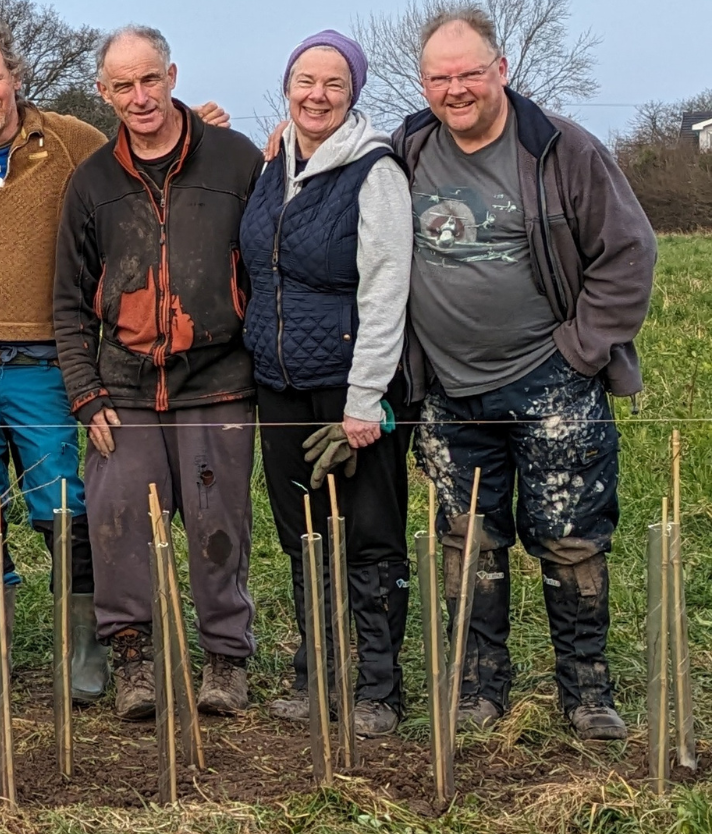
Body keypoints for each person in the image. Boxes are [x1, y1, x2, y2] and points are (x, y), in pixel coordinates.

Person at [0, 20, 232, 705]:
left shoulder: (70, 140)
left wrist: (204, 135)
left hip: (42, 357)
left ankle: (85, 653)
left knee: (62, 506)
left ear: (14, 78)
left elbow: (143, 154)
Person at [396, 9, 654, 740]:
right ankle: (477, 686)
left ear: (499, 70)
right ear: (423, 84)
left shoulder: (559, 148)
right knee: (466, 540)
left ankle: (586, 692)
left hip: (552, 386)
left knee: (569, 537)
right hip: (448, 391)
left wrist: (579, 351)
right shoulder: (407, 147)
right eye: (439, 77)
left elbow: (627, 253)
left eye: (469, 72)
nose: (455, 89)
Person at [54, 26, 262, 720]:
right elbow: (67, 298)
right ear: (102, 93)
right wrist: (85, 393)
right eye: (122, 85)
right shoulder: (90, 182)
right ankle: (132, 660)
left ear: (171, 75)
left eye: (148, 80)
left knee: (217, 526)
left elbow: (265, 269)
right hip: (123, 386)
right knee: (118, 527)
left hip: (219, 379)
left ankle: (225, 662)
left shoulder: (234, 161)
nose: (138, 97)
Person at [243, 32, 415, 737]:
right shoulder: (271, 166)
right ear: (286, 87)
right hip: (277, 385)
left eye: (333, 84)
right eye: (304, 81)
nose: (316, 94)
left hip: (349, 389)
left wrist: (364, 398)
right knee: (302, 537)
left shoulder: (374, 172)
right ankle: (315, 675)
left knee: (370, 538)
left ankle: (377, 687)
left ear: (354, 94)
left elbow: (385, 289)